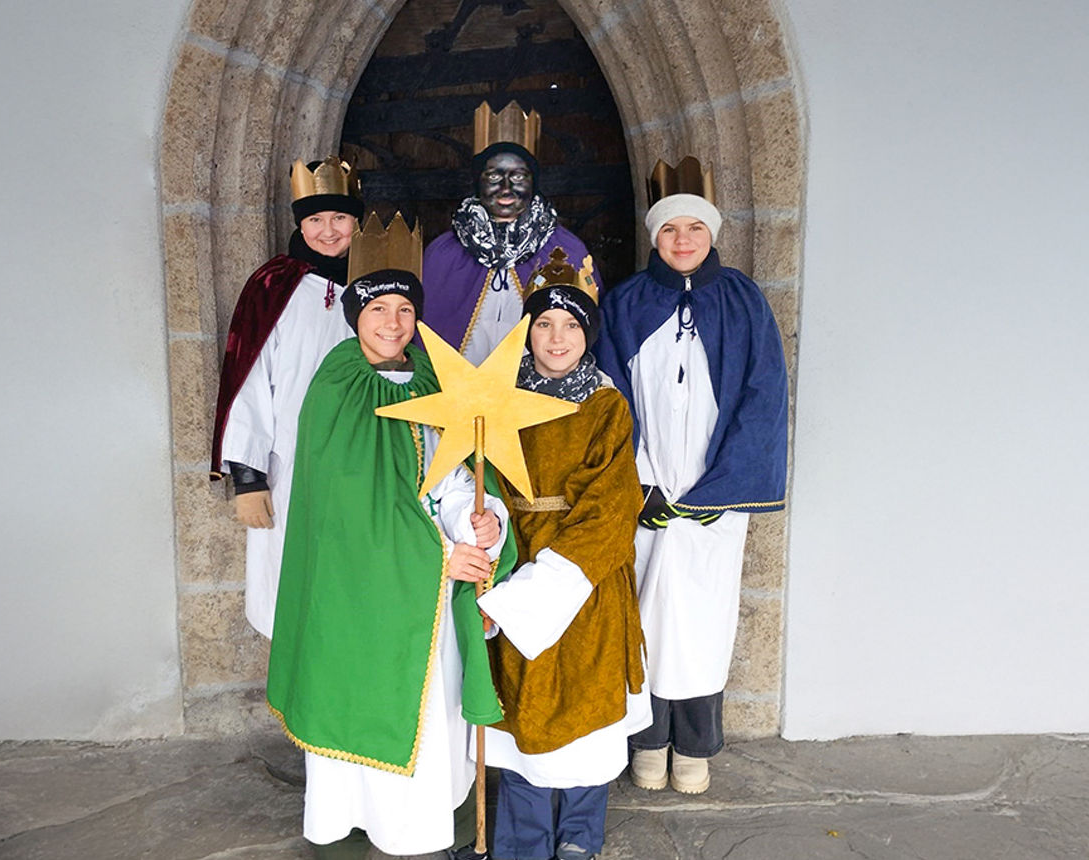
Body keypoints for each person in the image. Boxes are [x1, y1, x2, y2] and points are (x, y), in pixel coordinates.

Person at [265, 216, 516, 860]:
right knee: (357, 702)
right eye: (378, 308)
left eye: (405, 308)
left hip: (427, 594)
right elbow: (347, 512)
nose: (393, 322)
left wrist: (479, 523)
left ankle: (415, 830)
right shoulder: (337, 385)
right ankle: (346, 823)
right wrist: (441, 557)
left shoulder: (433, 379)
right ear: (356, 314)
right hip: (360, 593)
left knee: (428, 712)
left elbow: (452, 477)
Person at [594, 189, 788, 794]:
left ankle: (695, 747)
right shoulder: (625, 302)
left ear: (712, 234)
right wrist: (634, 482)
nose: (683, 240)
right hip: (646, 493)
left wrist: (724, 488)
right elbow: (606, 392)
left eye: (694, 228)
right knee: (645, 618)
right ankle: (648, 742)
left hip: (714, 495)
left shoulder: (743, 301)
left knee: (703, 622)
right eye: (671, 229)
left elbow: (763, 395)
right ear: (654, 237)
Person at [476, 249, 650, 860]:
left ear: (588, 334)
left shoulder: (605, 405)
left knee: (586, 701)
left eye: (571, 324)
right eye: (545, 323)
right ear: (527, 331)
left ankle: (579, 833)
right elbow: (483, 480)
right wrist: (489, 531)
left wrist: (548, 583)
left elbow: (610, 506)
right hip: (515, 557)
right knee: (522, 705)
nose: (557, 338)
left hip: (584, 575)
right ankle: (521, 842)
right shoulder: (498, 402)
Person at [209, 157, 362, 638]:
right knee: (290, 585)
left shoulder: (379, 285)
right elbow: (249, 381)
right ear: (300, 224)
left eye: (339, 217)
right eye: (315, 219)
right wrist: (249, 479)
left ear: (357, 220)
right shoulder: (274, 286)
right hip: (289, 462)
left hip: (362, 458)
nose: (328, 231)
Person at [423, 101, 601, 364]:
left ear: (533, 183)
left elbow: (586, 330)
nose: (506, 188)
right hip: (458, 384)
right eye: (494, 177)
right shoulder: (444, 253)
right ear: (478, 182)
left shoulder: (566, 250)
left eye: (518, 177)